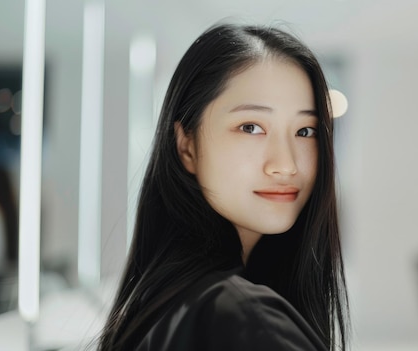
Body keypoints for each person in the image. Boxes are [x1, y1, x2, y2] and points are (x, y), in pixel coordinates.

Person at [98, 23, 349, 351]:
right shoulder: (245, 320)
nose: (286, 164)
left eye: (305, 131)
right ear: (187, 145)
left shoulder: (165, 301)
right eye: (251, 127)